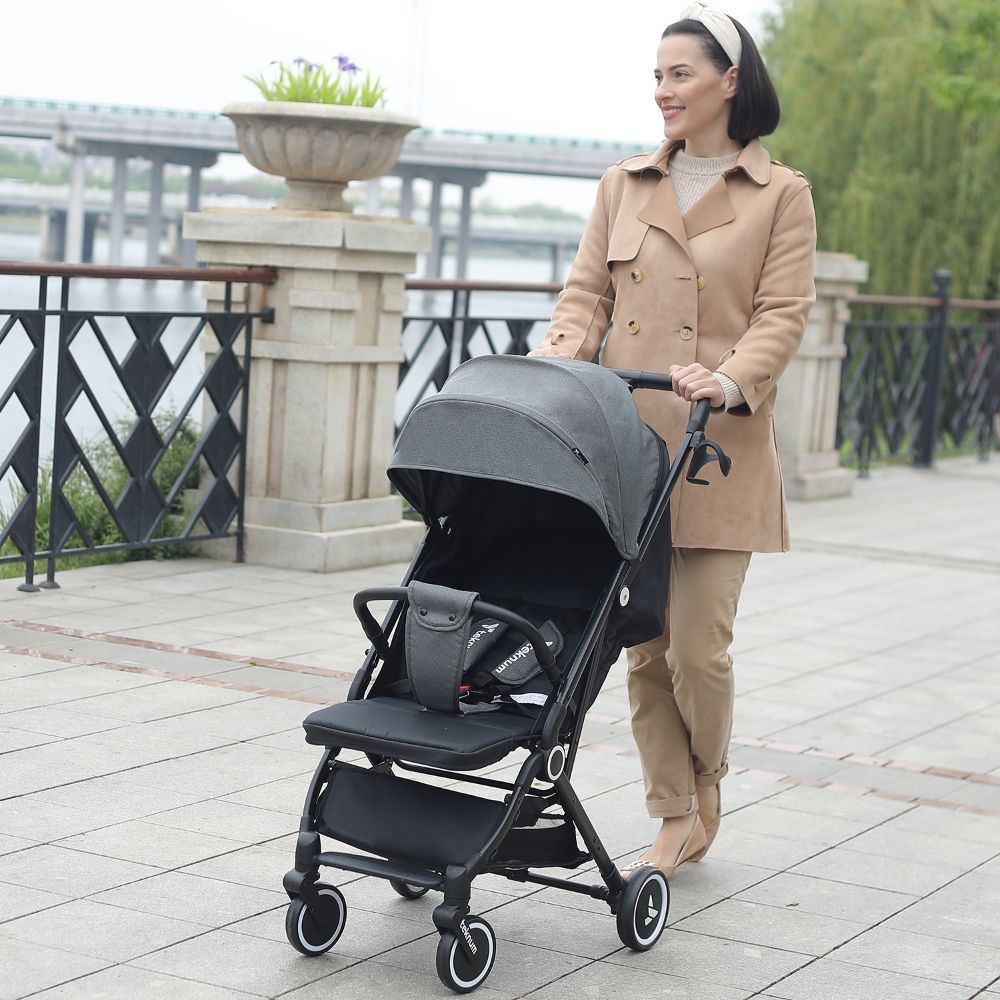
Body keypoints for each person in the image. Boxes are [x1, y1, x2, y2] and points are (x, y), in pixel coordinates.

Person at [529, 2, 816, 875]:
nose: (663, 90)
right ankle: (672, 813)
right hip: (627, 447)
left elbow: (783, 314)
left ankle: (707, 782)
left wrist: (728, 379)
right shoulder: (624, 184)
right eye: (657, 76)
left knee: (697, 650)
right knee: (645, 648)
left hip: (719, 449)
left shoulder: (782, 194)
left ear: (731, 80)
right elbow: (587, 294)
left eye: (680, 74)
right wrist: (555, 357)